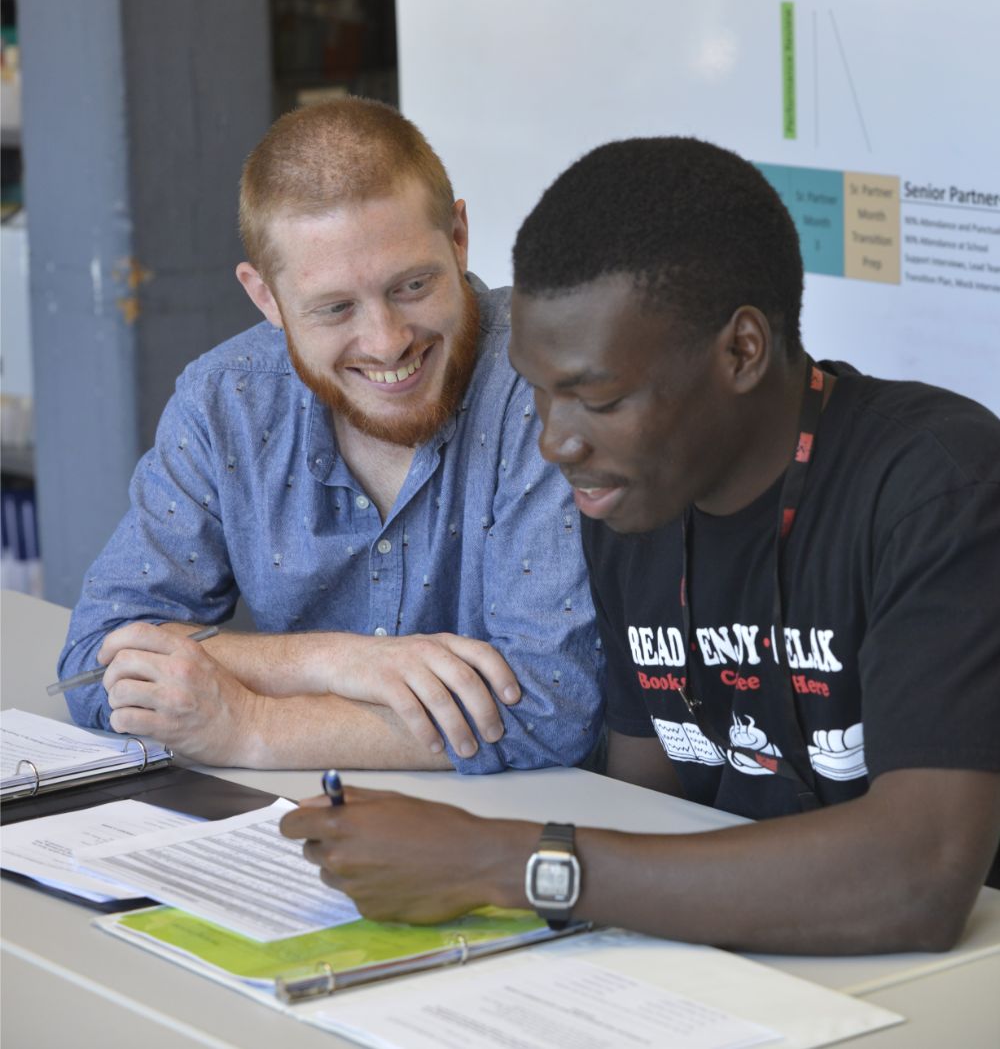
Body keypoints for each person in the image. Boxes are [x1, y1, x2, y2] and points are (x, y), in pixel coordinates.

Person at [282, 136, 1000, 955]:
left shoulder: (940, 489)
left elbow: (923, 878)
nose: (556, 443)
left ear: (741, 351)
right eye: (540, 392)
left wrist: (494, 863)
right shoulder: (633, 502)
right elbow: (642, 812)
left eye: (600, 398)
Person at [56, 99, 604, 773]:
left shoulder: (546, 379)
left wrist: (253, 724)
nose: (386, 341)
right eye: (335, 307)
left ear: (459, 237)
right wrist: (339, 661)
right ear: (266, 299)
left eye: (412, 285)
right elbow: (95, 664)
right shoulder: (227, 400)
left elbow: (554, 706)